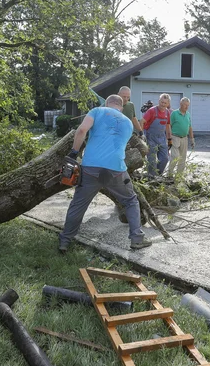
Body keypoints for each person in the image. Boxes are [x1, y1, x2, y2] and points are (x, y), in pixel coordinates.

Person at [58, 94, 150, 252]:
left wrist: (74, 153)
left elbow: (81, 131)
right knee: (130, 201)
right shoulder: (128, 122)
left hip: (91, 168)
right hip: (116, 170)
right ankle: (136, 239)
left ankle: (65, 241)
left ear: (107, 103)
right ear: (120, 107)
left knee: (78, 205)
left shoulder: (97, 111)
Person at [141, 93, 172, 177]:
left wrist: (169, 140)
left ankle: (158, 175)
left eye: (165, 103)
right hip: (150, 137)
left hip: (162, 137)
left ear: (168, 104)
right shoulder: (152, 111)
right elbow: (142, 121)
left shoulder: (168, 113)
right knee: (152, 159)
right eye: (161, 102)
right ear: (159, 101)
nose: (163, 104)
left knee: (165, 158)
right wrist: (141, 135)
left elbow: (168, 126)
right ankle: (151, 176)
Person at [167, 97, 196, 177]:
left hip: (184, 138)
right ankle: (169, 174)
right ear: (180, 104)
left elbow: (190, 127)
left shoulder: (188, 114)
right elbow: (169, 125)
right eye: (185, 105)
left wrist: (192, 139)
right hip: (175, 137)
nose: (186, 107)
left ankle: (179, 176)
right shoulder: (174, 113)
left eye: (188, 105)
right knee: (175, 156)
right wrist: (169, 138)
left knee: (183, 158)